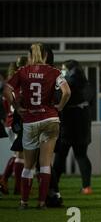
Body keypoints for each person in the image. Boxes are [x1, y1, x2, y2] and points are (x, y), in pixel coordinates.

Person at [4, 43, 71, 209]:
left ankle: (24, 202)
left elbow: (6, 89)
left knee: (28, 165)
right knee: (46, 163)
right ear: (46, 56)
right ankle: (41, 202)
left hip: (31, 120)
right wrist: (60, 106)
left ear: (30, 56)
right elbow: (67, 92)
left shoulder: (22, 72)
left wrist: (17, 107)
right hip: (50, 120)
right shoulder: (54, 72)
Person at [53, 60, 93, 194]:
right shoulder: (85, 83)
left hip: (67, 123)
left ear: (69, 69)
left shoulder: (67, 82)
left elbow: (58, 97)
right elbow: (90, 99)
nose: (62, 71)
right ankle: (86, 187)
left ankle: (53, 186)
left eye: (64, 69)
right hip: (83, 124)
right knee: (81, 155)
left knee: (60, 156)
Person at [0, 56, 28, 195]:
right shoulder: (21, 82)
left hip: (10, 121)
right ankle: (18, 187)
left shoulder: (9, 83)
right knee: (20, 155)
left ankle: (5, 180)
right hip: (17, 122)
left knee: (18, 154)